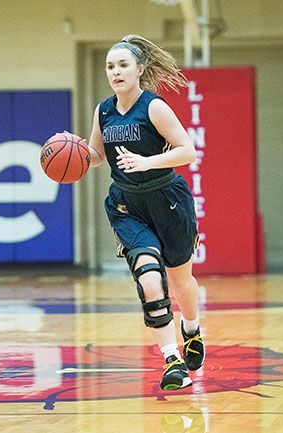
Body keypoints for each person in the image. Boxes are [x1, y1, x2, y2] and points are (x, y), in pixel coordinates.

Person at [86, 34, 205, 390]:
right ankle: (172, 362)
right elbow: (95, 157)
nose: (116, 72)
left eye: (123, 65)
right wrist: (73, 153)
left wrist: (146, 161)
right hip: (127, 206)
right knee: (150, 280)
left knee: (181, 281)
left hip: (167, 199)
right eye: (110, 66)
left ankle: (192, 328)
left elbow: (188, 151)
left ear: (139, 70)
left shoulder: (154, 107)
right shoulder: (103, 111)